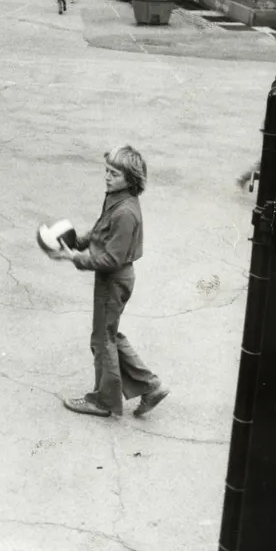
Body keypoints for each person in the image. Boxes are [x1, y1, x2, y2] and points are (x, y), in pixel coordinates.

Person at [44, 145, 169, 420]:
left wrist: (75, 258)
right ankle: (151, 386)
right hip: (112, 280)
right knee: (108, 335)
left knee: (102, 340)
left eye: (114, 173)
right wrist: (77, 242)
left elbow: (112, 259)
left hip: (113, 279)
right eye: (107, 171)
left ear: (131, 178)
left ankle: (104, 401)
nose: (107, 177)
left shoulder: (126, 212)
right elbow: (101, 228)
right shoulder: (116, 198)